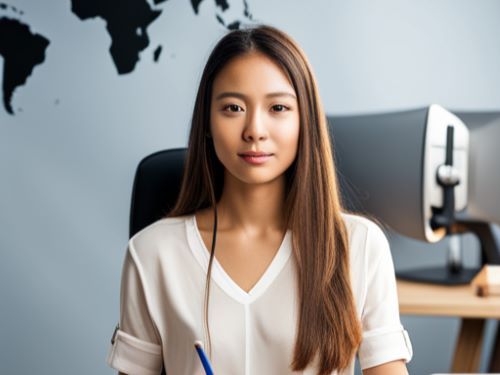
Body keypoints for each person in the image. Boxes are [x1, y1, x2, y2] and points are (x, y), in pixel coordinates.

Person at [106, 24, 413, 375]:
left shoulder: (357, 245)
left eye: (278, 108)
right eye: (233, 108)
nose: (254, 129)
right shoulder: (151, 252)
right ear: (206, 121)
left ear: (305, 122)